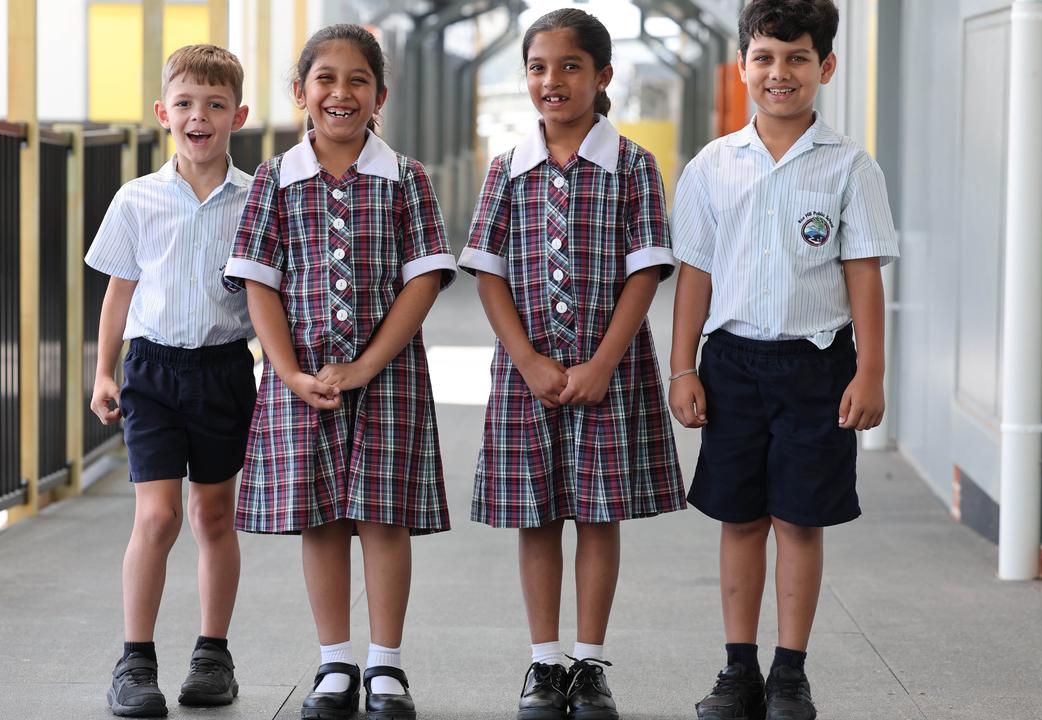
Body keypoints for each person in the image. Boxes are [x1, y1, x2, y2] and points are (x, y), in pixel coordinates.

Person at [667, 2, 899, 718]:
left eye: (797, 58)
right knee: (740, 519)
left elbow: (863, 273)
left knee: (800, 519)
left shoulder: (849, 167)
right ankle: (738, 669)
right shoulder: (713, 166)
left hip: (818, 365)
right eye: (765, 57)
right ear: (743, 67)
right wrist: (683, 366)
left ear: (825, 67)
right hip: (732, 364)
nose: (780, 73)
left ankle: (789, 671)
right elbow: (696, 275)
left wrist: (871, 370)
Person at [224, 24, 456, 720]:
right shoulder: (275, 177)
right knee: (320, 519)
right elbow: (259, 280)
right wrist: (289, 373)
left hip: (388, 378)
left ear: (379, 95)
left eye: (358, 80)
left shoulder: (407, 177)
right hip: (301, 384)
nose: (340, 92)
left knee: (384, 518)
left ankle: (386, 666)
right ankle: (335, 663)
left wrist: (363, 366)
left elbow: (422, 281)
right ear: (301, 92)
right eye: (325, 78)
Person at [458, 9, 685, 720]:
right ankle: (543, 664)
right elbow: (488, 271)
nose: (551, 81)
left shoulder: (635, 166)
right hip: (527, 380)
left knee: (597, 515)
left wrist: (600, 364)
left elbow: (645, 274)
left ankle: (590, 665)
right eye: (537, 67)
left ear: (602, 76)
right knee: (536, 515)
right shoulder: (507, 169)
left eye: (569, 67)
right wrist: (525, 358)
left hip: (607, 376)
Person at [86, 44, 255, 718]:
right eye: (185, 103)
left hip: (224, 373)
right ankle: (135, 662)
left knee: (213, 515)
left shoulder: (256, 201)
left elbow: (267, 298)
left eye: (215, 104)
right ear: (163, 113)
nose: (199, 115)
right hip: (151, 372)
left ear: (238, 115)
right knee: (155, 517)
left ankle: (213, 655)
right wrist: (103, 370)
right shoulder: (138, 199)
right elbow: (118, 295)